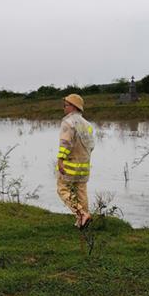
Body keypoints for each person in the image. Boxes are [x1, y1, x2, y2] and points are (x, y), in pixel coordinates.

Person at [56, 93, 95, 229]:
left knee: (62, 189)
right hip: (84, 166)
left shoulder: (68, 122)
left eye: (66, 105)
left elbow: (65, 143)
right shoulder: (88, 125)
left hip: (70, 164)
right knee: (81, 191)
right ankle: (82, 221)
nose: (64, 108)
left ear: (73, 107)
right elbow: (92, 146)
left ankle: (81, 213)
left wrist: (60, 160)